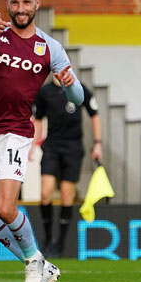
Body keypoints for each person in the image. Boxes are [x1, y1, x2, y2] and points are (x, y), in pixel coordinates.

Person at [0, 0, 84, 282]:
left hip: (15, 133)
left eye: (26, 2)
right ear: (8, 3)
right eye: (15, 2)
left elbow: (78, 97)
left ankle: (34, 260)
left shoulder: (50, 47)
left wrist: (67, 83)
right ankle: (37, 262)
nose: (20, 8)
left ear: (37, 4)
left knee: (6, 208)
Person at [32, 75, 102, 257]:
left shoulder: (78, 88)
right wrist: (32, 144)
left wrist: (98, 143)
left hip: (73, 148)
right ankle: (47, 239)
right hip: (52, 147)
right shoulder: (44, 92)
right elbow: (37, 119)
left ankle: (60, 244)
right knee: (45, 192)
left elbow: (94, 114)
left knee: (66, 194)